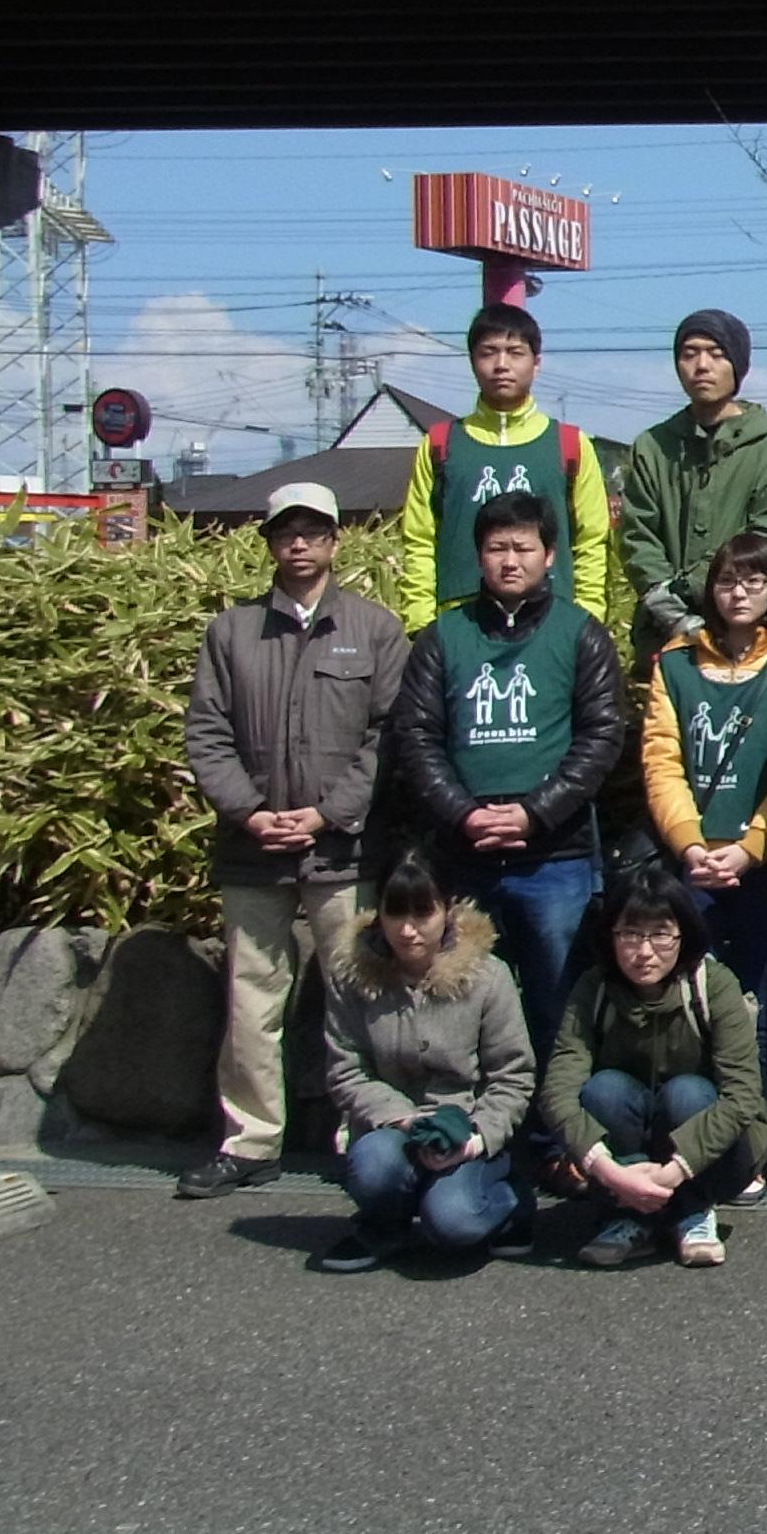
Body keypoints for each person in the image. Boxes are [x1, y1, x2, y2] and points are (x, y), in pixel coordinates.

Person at [176, 480, 408, 1201]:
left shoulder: (376, 628)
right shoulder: (231, 632)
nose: (300, 542)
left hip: (342, 848)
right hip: (252, 849)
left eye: (314, 530)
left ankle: (364, 1131)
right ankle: (251, 1141)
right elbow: (205, 733)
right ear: (270, 542)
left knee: (360, 991)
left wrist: (327, 814)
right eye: (286, 531)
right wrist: (248, 810)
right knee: (252, 999)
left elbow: (389, 739)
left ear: (337, 541)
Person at [386, 488, 625, 1132]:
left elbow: (601, 737)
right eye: (497, 548)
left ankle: (557, 1138)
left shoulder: (581, 633)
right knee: (458, 1003)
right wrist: (463, 813)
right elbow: (416, 736)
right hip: (463, 859)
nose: (510, 560)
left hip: (555, 857)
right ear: (477, 557)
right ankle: (466, 1131)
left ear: (551, 555)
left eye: (524, 547)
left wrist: (534, 813)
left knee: (556, 1006)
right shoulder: (444, 635)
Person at [638, 531, 767, 1097]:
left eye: (755, 581)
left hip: (765, 866)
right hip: (692, 867)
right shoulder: (676, 664)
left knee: (759, 1000)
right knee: (688, 1000)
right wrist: (691, 845)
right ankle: (693, 1120)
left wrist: (752, 846)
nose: (740, 593)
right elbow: (663, 762)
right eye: (728, 581)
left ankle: (754, 1132)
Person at [537, 865, 767, 1271]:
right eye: (630, 934)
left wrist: (673, 1174)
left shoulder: (713, 983)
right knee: (603, 1090)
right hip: (624, 1157)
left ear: (683, 934)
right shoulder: (593, 988)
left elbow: (743, 1094)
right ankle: (629, 1216)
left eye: (660, 934)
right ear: (610, 936)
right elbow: (557, 1091)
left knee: (689, 1093)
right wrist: (609, 1172)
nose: (644, 951)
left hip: (714, 1154)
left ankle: (693, 1211)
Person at [316, 851, 537, 1270]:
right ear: (376, 910)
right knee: (372, 1165)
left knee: (453, 1224)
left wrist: (475, 1138)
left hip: (468, 1127)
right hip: (392, 1129)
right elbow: (346, 1069)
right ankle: (385, 1225)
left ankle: (509, 1200)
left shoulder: (489, 976)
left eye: (423, 913)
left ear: (448, 909)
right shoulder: (351, 976)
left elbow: (513, 1076)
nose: (408, 929)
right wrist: (405, 1120)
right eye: (395, 912)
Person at [395, 300, 617, 633]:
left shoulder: (570, 444)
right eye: (489, 352)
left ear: (536, 363)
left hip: (551, 622)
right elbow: (419, 539)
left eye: (515, 352)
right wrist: (422, 622)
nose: (501, 365)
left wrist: (586, 620)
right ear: (472, 361)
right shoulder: (441, 444)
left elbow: (592, 540)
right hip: (460, 622)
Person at [612, 308, 767, 678]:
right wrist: (673, 612)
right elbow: (638, 535)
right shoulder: (652, 446)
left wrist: (713, 593)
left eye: (716, 354)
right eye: (689, 353)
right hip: (666, 633)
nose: (701, 366)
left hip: (753, 632)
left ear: (738, 364)